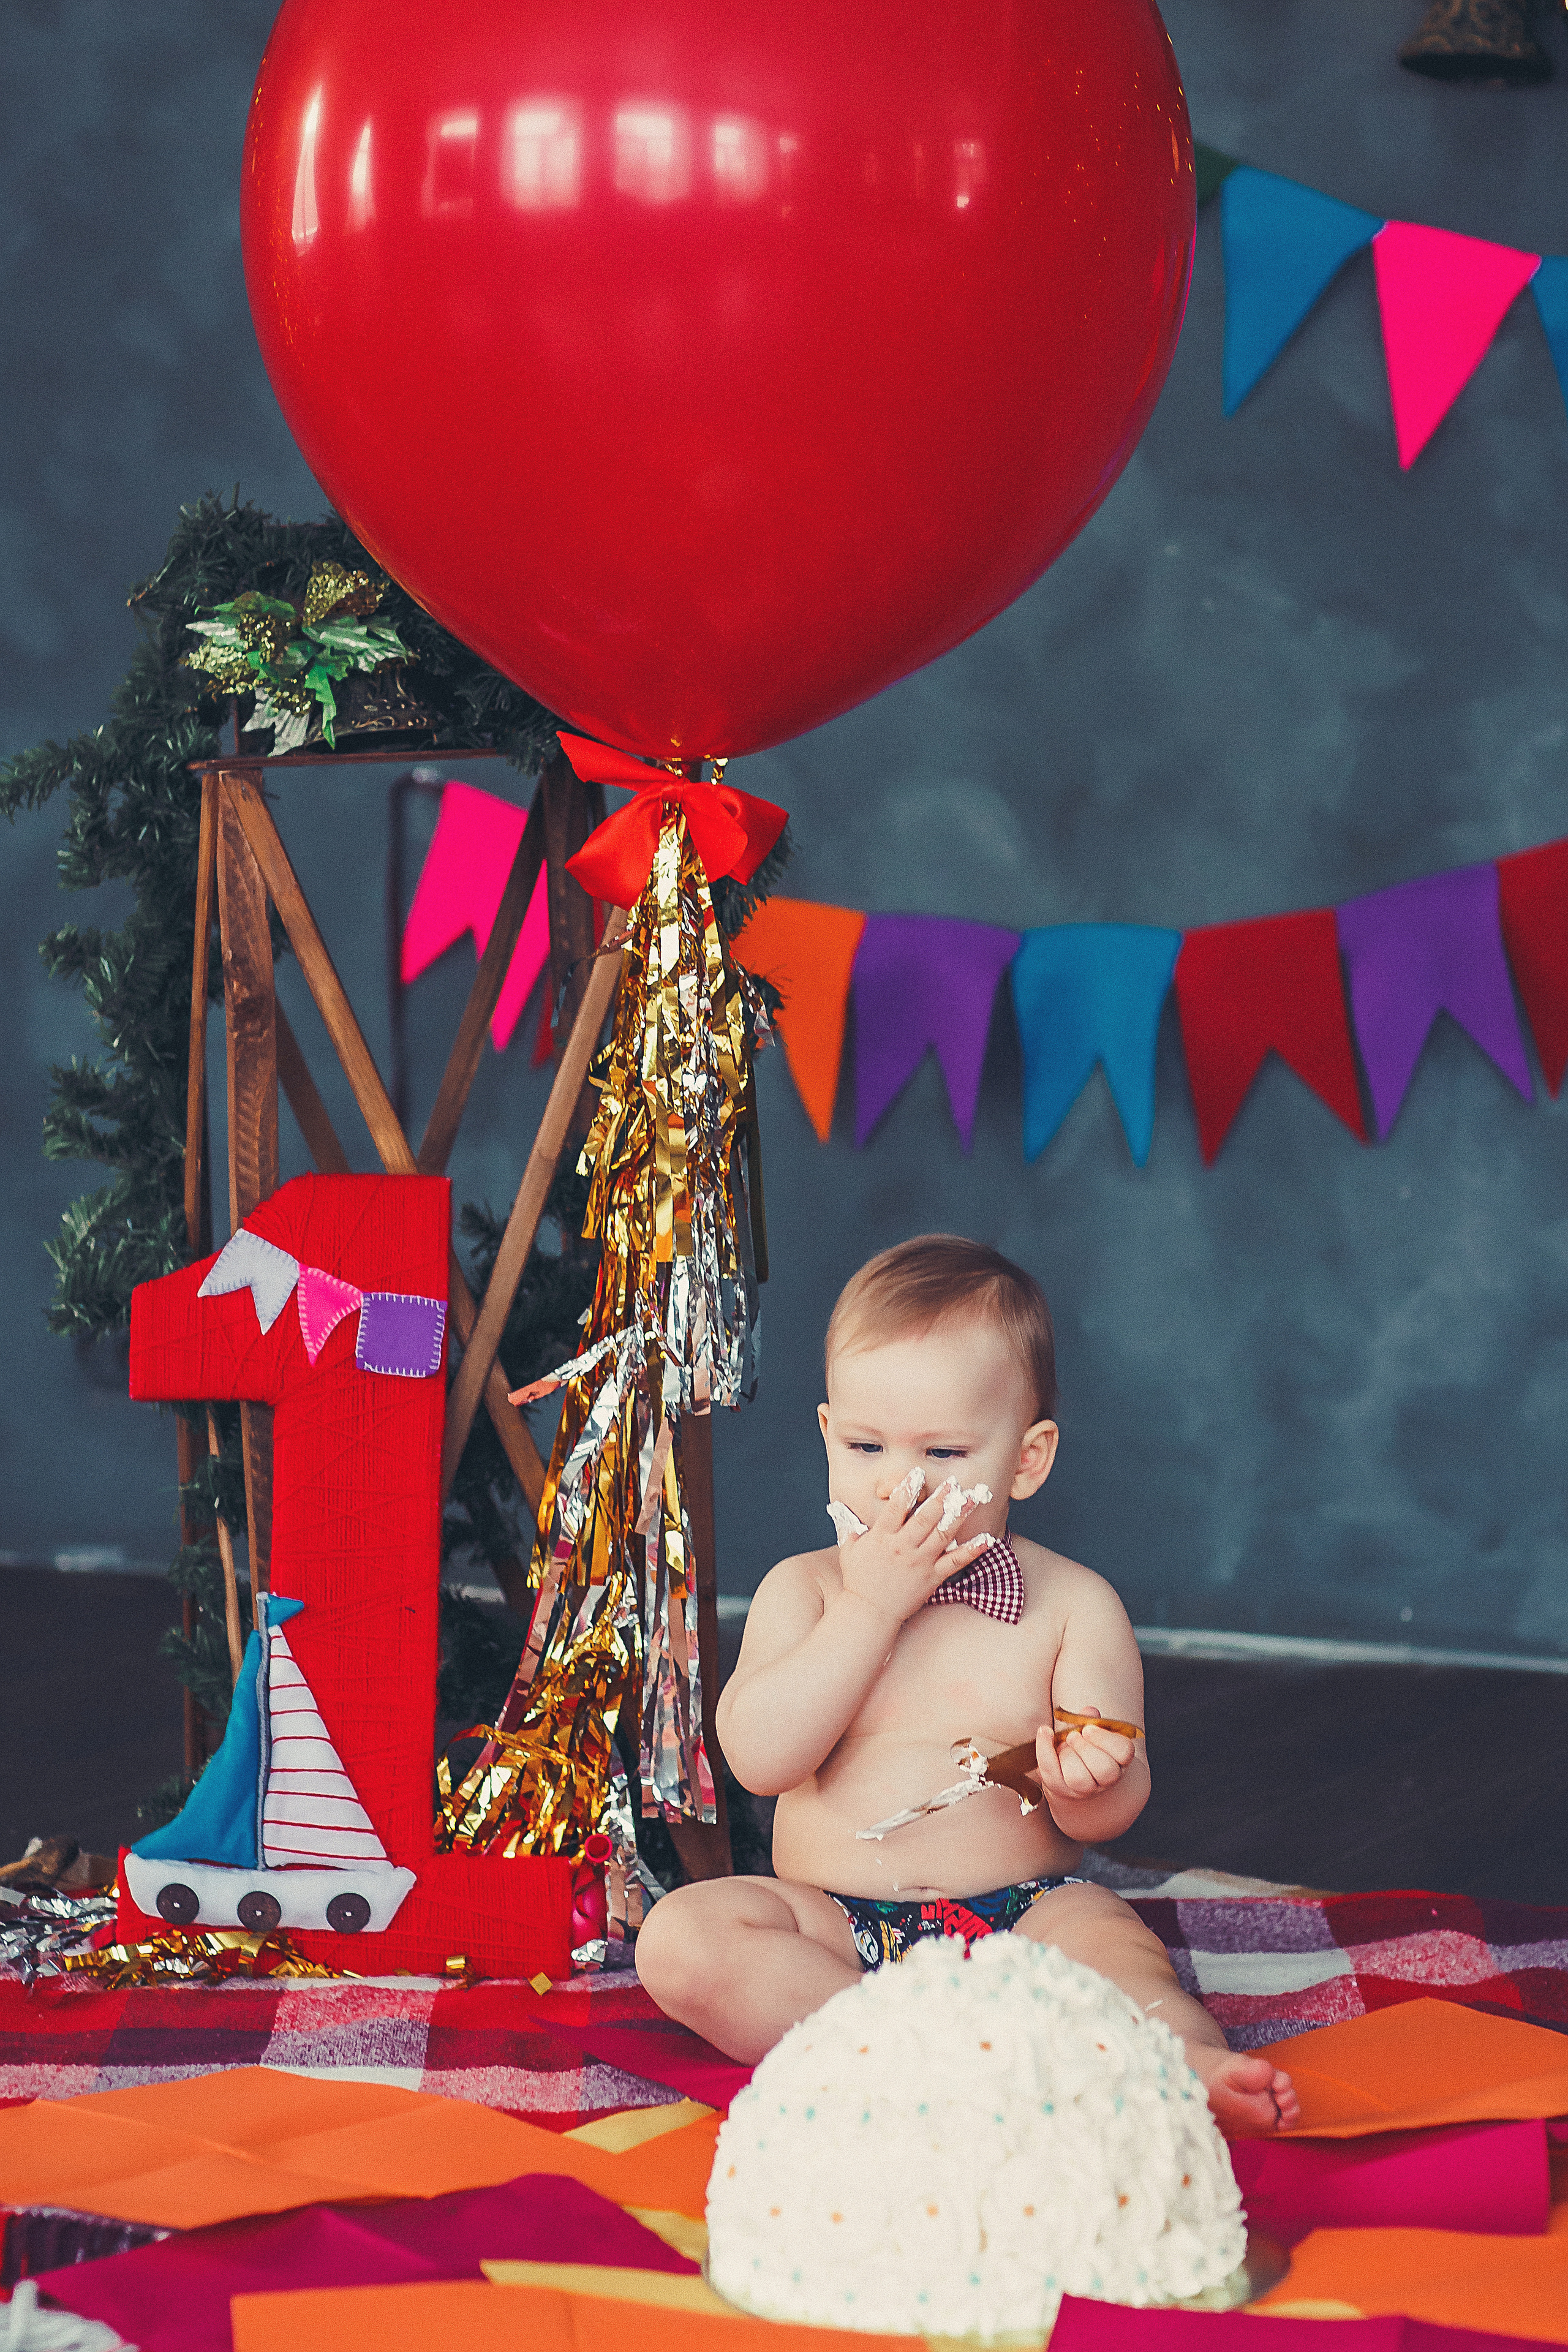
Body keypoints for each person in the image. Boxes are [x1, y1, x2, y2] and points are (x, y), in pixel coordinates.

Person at [636, 1235, 1299, 2136]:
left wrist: (1089, 1780)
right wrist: (867, 1611)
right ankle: (909, 2053)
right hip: (835, 1926)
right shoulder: (807, 1590)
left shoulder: (1072, 1606)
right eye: (867, 1445)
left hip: (1025, 1917)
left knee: (1117, 1953)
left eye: (944, 1452)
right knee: (682, 1941)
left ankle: (1185, 2067)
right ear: (828, 1435)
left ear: (1025, 1460)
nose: (899, 1482)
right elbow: (758, 1760)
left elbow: (1110, 1808)